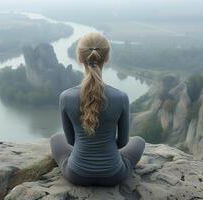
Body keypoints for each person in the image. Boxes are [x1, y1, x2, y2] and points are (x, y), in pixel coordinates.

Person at [50, 32, 145, 187]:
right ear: (106, 58)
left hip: (77, 175)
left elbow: (70, 141)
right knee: (139, 141)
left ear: (80, 58)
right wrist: (104, 149)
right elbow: (122, 143)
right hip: (114, 175)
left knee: (55, 138)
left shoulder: (66, 97)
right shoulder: (121, 97)